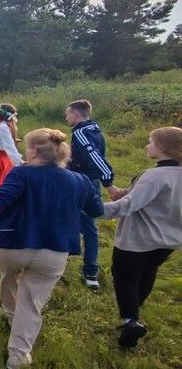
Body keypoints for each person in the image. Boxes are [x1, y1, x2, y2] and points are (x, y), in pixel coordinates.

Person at [0, 128, 104, 369]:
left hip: (12, 245)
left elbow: (1, 198)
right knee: (31, 302)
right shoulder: (80, 180)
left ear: (33, 151)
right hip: (54, 250)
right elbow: (97, 210)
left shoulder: (21, 173)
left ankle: (12, 315)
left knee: (9, 277)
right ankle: (19, 356)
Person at [101, 126, 182, 347]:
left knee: (126, 277)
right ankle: (136, 309)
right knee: (148, 271)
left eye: (150, 141)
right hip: (168, 241)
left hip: (138, 240)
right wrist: (129, 191)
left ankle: (130, 321)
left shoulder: (155, 176)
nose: (147, 145)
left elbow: (127, 206)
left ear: (164, 147)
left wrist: (95, 208)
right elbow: (154, 197)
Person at [65, 100, 117, 290]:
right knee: (81, 224)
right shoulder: (95, 130)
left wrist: (109, 182)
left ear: (76, 114)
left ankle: (90, 271)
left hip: (82, 185)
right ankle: (77, 262)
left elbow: (94, 156)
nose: (66, 117)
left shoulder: (81, 132)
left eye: (68, 114)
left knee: (87, 226)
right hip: (85, 182)